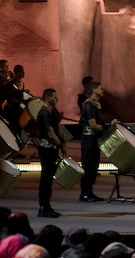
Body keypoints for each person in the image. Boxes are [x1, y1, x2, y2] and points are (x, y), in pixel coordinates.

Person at [79, 80, 116, 202]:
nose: (103, 90)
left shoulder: (96, 105)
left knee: (93, 166)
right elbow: (94, 125)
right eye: (101, 88)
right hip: (89, 139)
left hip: (94, 139)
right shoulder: (89, 105)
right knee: (88, 166)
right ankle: (84, 193)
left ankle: (89, 191)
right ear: (94, 90)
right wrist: (109, 127)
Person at [36, 88, 67, 218]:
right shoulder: (43, 113)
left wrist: (62, 145)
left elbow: (56, 130)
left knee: (49, 179)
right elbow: (50, 132)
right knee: (46, 179)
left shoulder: (52, 111)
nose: (57, 99)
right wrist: (60, 146)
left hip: (52, 148)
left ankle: (47, 206)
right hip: (46, 148)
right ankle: (43, 207)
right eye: (55, 97)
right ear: (48, 98)